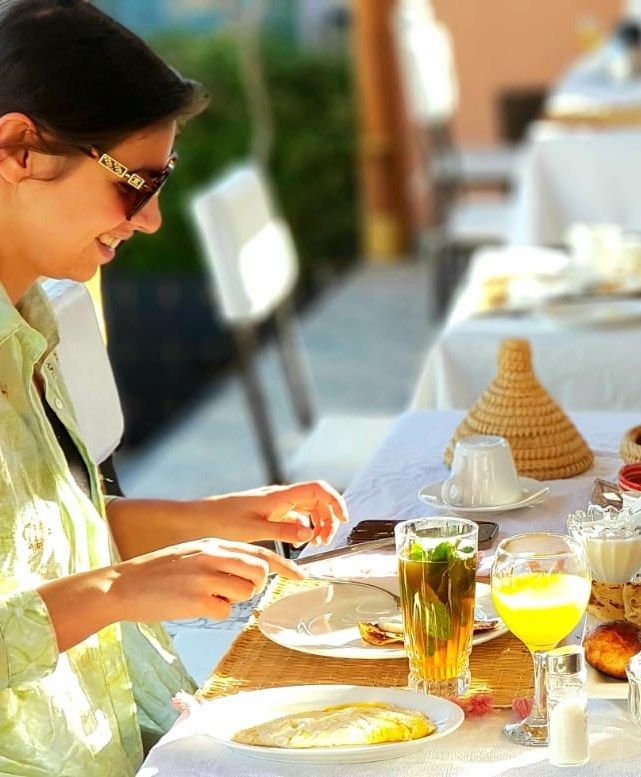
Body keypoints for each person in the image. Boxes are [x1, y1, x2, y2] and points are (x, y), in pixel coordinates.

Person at [0, 2, 346, 774]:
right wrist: (120, 590)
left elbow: (42, 540)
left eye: (165, 179)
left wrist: (219, 517)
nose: (152, 219)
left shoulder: (32, 317)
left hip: (137, 732)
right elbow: (85, 586)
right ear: (18, 149)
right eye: (135, 183)